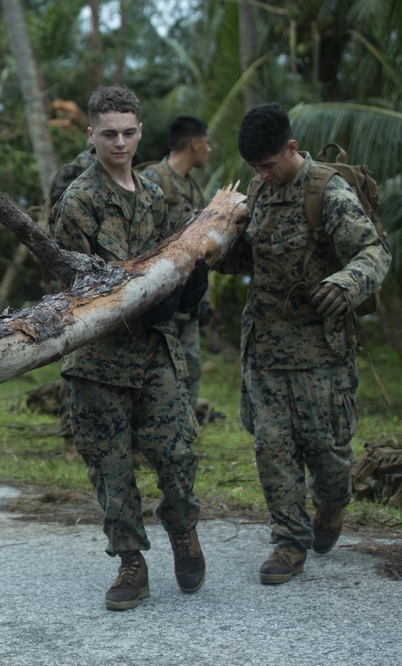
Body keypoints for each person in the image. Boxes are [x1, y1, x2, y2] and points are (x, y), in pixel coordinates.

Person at [48, 85, 207, 611]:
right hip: (98, 355)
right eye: (109, 133)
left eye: (129, 132)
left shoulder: (157, 196)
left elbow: (170, 263)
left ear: (140, 132)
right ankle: (130, 564)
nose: (120, 142)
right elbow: (80, 284)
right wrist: (146, 296)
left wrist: (189, 283)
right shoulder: (78, 202)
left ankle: (183, 530)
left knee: (178, 451)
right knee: (111, 468)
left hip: (154, 351)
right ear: (91, 134)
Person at [220, 103, 390, 585]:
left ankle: (332, 508)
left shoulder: (327, 193)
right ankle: (288, 542)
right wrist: (213, 248)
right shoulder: (260, 190)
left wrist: (346, 284)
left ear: (292, 148)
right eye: (254, 168)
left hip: (321, 353)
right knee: (272, 448)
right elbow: (248, 258)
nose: (262, 175)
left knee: (328, 454)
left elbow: (373, 251)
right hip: (266, 348)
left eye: (269, 165)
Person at [139, 116, 213, 419]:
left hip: (188, 300)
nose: (209, 151)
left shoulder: (193, 188)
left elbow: (201, 248)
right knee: (153, 371)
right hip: (158, 298)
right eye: (207, 144)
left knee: (191, 367)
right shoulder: (152, 179)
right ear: (194, 144)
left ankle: (183, 429)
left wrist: (204, 299)